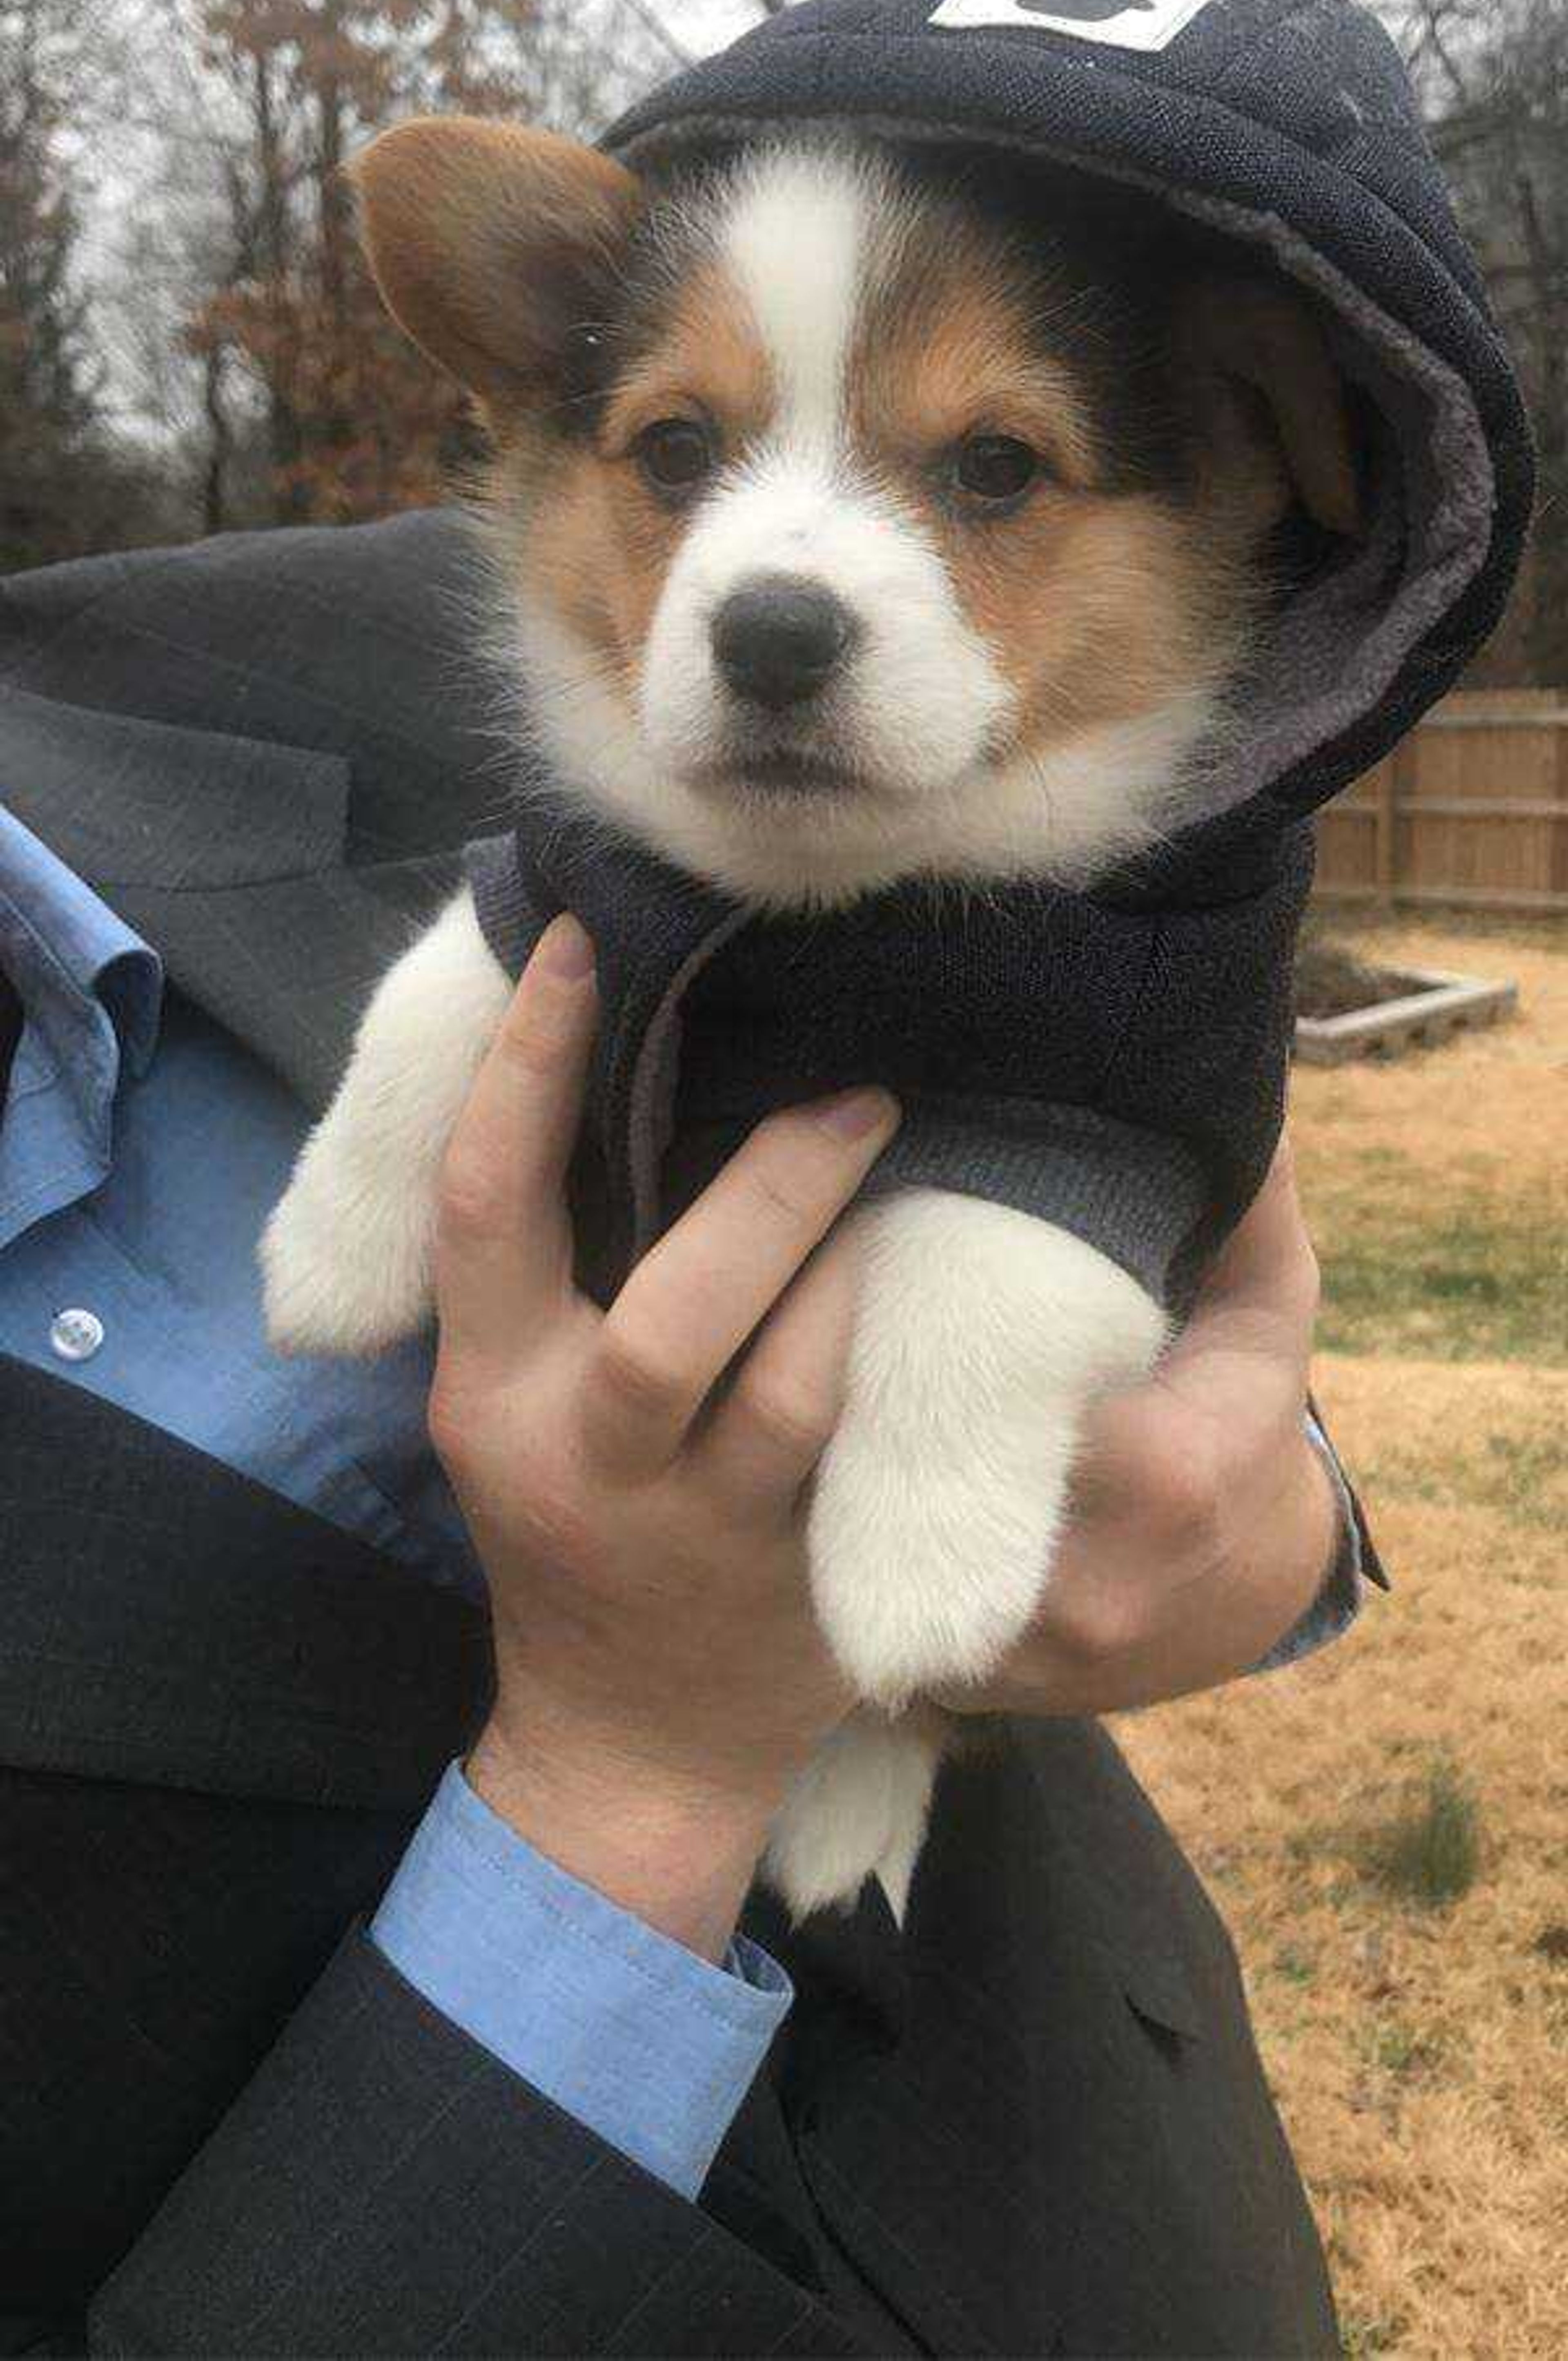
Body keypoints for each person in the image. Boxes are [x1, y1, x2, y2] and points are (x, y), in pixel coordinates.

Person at [0, 507, 1374, 2357]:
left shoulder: (476, 587)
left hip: (1118, 2192)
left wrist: (1255, 1509)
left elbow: (1104, 1048)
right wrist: (630, 1777)